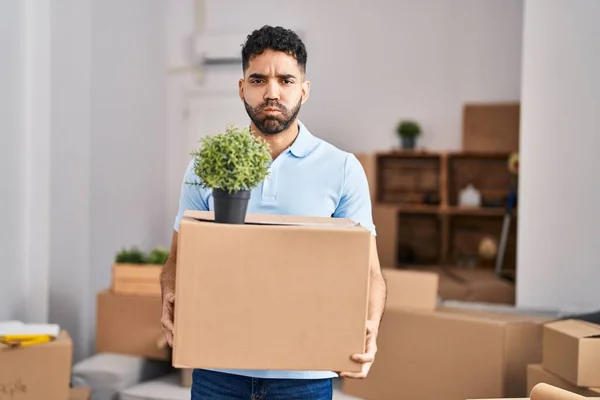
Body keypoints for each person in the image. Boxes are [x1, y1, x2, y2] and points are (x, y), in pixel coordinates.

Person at [160, 25, 387, 400]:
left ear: (304, 89)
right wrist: (168, 294)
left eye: (286, 79)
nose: (272, 92)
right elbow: (176, 261)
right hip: (218, 371)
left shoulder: (342, 168)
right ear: (241, 87)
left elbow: (372, 274)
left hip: (305, 377)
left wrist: (371, 329)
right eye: (258, 79)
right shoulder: (208, 164)